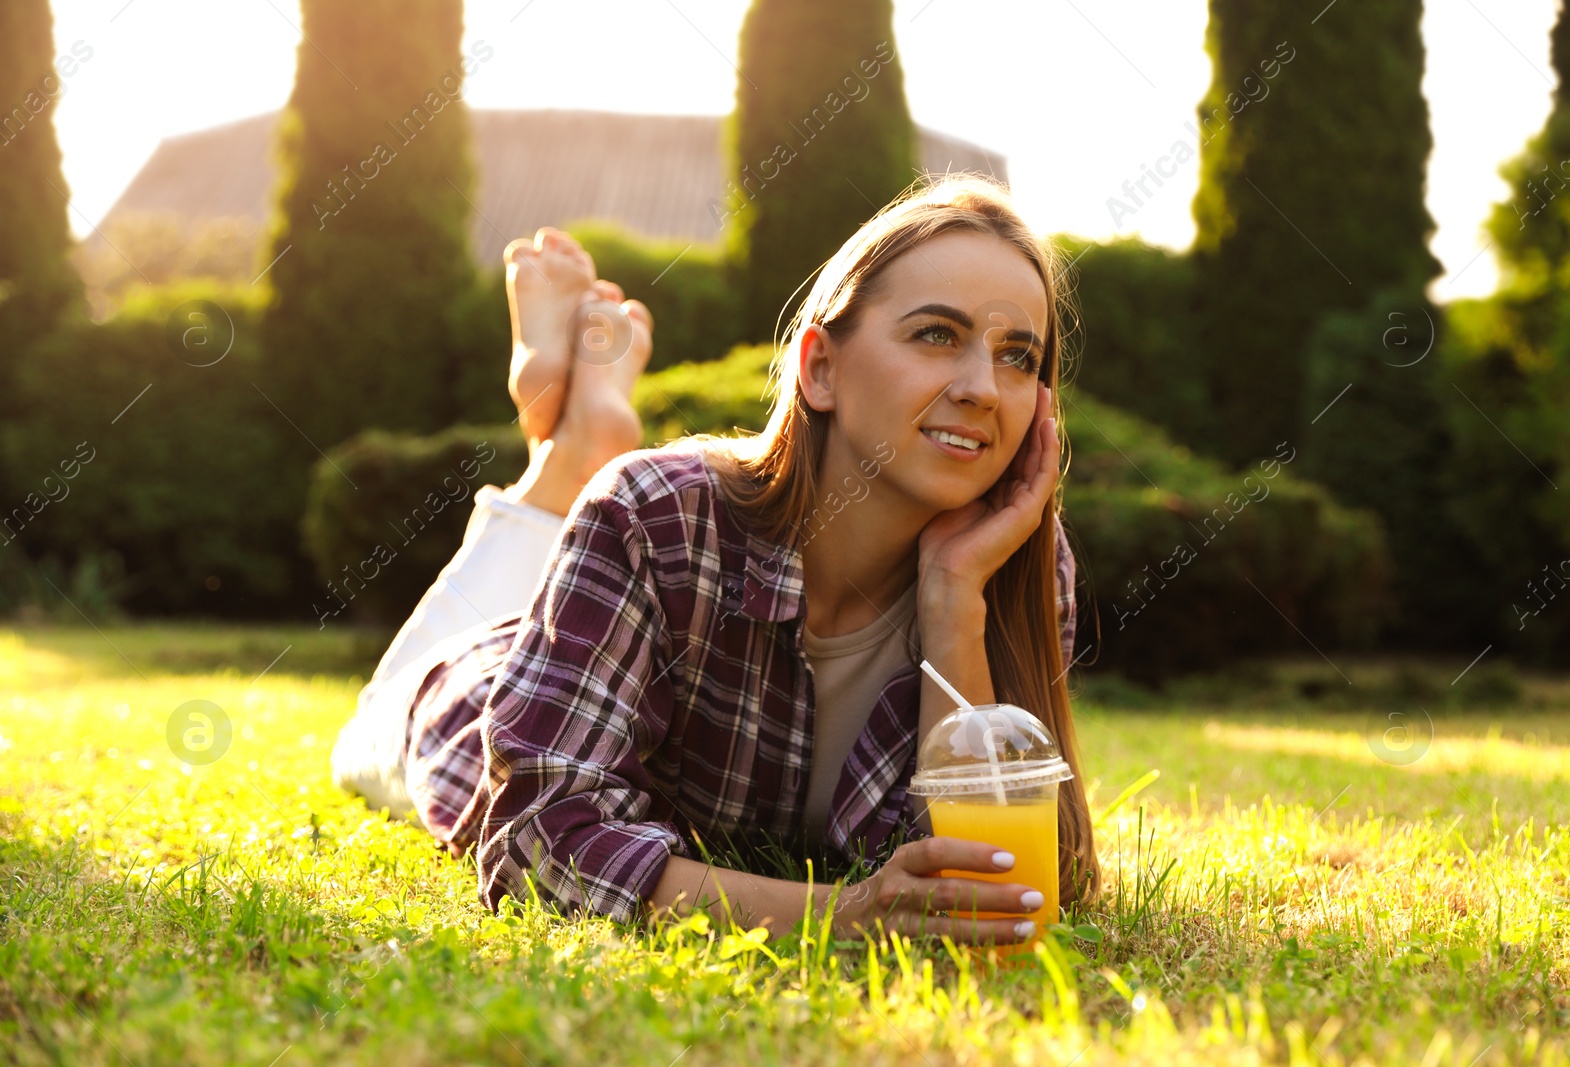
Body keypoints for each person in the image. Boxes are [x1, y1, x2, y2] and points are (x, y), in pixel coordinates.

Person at [331, 173, 1101, 947]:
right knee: (370, 723)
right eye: (937, 333)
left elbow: (1003, 880)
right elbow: (536, 838)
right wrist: (842, 914)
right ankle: (569, 452)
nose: (982, 388)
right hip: (474, 691)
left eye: (1018, 355)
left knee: (591, 494)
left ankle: (577, 438)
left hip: (600, 596)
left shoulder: (1013, 563)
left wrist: (955, 605)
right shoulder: (654, 514)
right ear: (820, 368)